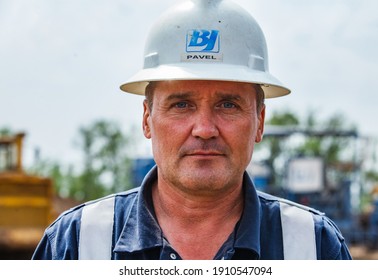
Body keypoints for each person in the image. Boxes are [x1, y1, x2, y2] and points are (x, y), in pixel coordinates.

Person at [32, 0, 352, 260]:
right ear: (147, 119)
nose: (204, 129)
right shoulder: (75, 244)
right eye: (181, 105)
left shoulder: (313, 247)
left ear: (260, 122)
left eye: (228, 105)